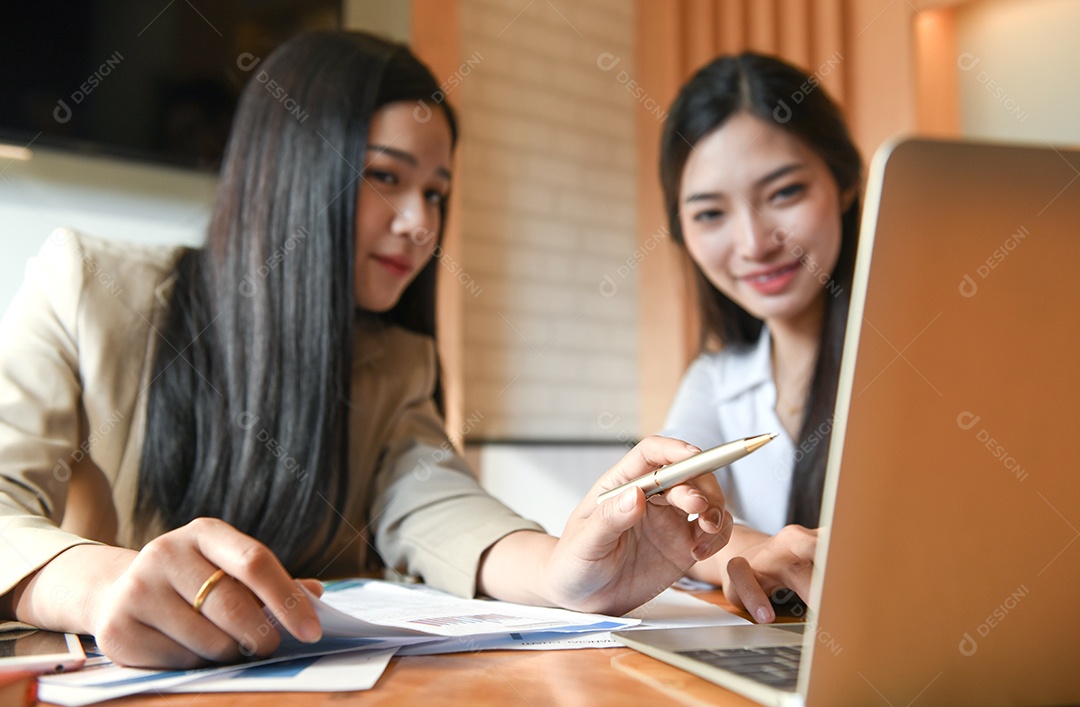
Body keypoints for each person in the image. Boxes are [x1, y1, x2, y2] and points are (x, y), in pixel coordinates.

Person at [0, 31, 732, 669]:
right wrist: (105, 584)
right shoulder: (88, 287)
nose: (420, 223)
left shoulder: (394, 363)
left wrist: (571, 571)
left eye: (437, 192)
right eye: (385, 176)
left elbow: (443, 510)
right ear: (291, 169)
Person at [656, 52, 863, 623]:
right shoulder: (716, 379)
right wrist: (753, 554)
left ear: (844, 183)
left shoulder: (922, 353)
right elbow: (670, 510)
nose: (752, 243)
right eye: (709, 213)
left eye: (784, 193)